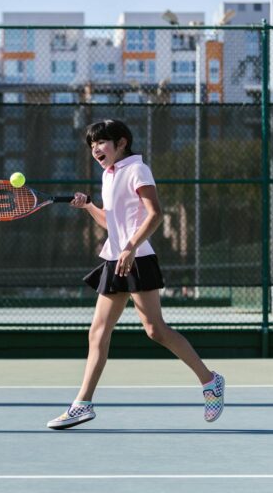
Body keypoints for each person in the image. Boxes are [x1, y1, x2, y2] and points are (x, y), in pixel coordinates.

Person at [47, 119, 224, 430]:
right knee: (98, 332)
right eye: (91, 145)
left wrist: (130, 247)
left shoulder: (137, 170)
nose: (95, 149)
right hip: (115, 258)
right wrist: (89, 206)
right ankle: (82, 404)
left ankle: (210, 381)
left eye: (101, 142)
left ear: (122, 142)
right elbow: (112, 222)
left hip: (137, 257)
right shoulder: (108, 175)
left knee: (155, 330)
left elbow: (155, 213)